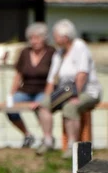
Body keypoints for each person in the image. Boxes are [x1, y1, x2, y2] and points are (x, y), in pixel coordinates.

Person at [36, 19, 102, 159]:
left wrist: (75, 95)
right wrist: (47, 98)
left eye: (55, 35)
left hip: (87, 92)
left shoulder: (80, 47)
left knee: (70, 107)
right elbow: (51, 79)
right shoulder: (58, 53)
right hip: (64, 92)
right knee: (43, 106)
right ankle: (48, 140)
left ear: (65, 37)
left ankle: (73, 145)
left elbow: (82, 74)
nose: (53, 38)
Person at [6, 22, 55, 148]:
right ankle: (28, 135)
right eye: (31, 38)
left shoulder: (51, 52)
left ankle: (47, 138)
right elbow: (18, 75)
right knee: (9, 108)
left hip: (43, 90)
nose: (34, 41)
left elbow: (54, 77)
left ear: (44, 38)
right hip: (25, 90)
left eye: (37, 38)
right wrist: (11, 94)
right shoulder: (25, 52)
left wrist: (46, 96)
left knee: (42, 107)